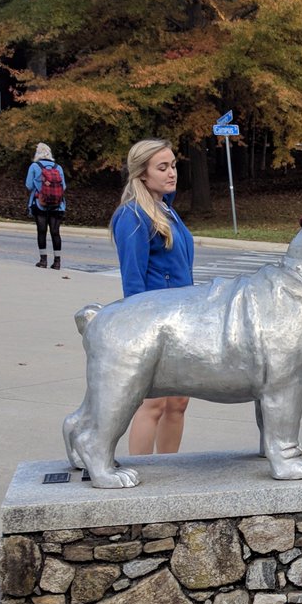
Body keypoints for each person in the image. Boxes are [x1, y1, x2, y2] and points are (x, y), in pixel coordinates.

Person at [110, 138, 195, 454]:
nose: (172, 173)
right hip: (155, 326)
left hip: (183, 322)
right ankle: (141, 474)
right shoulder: (132, 216)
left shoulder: (167, 211)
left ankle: (169, 469)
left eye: (173, 165)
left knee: (178, 402)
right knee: (153, 403)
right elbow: (132, 282)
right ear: (142, 173)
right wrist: (143, 330)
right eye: (162, 167)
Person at [26, 143, 67, 269]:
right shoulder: (58, 167)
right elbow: (64, 186)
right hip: (57, 205)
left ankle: (43, 260)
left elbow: (29, 185)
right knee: (55, 232)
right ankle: (57, 261)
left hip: (40, 203)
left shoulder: (34, 166)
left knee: (41, 231)